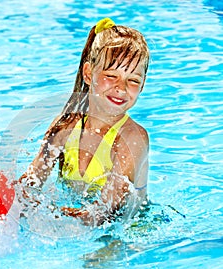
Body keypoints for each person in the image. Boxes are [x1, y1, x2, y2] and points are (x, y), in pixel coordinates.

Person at [17, 17, 150, 226]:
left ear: (142, 86)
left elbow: (107, 210)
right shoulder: (65, 127)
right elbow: (31, 182)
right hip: (78, 218)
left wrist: (52, 214)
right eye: (110, 75)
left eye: (133, 80)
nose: (121, 87)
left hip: (129, 226)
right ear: (88, 74)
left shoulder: (132, 138)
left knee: (100, 258)